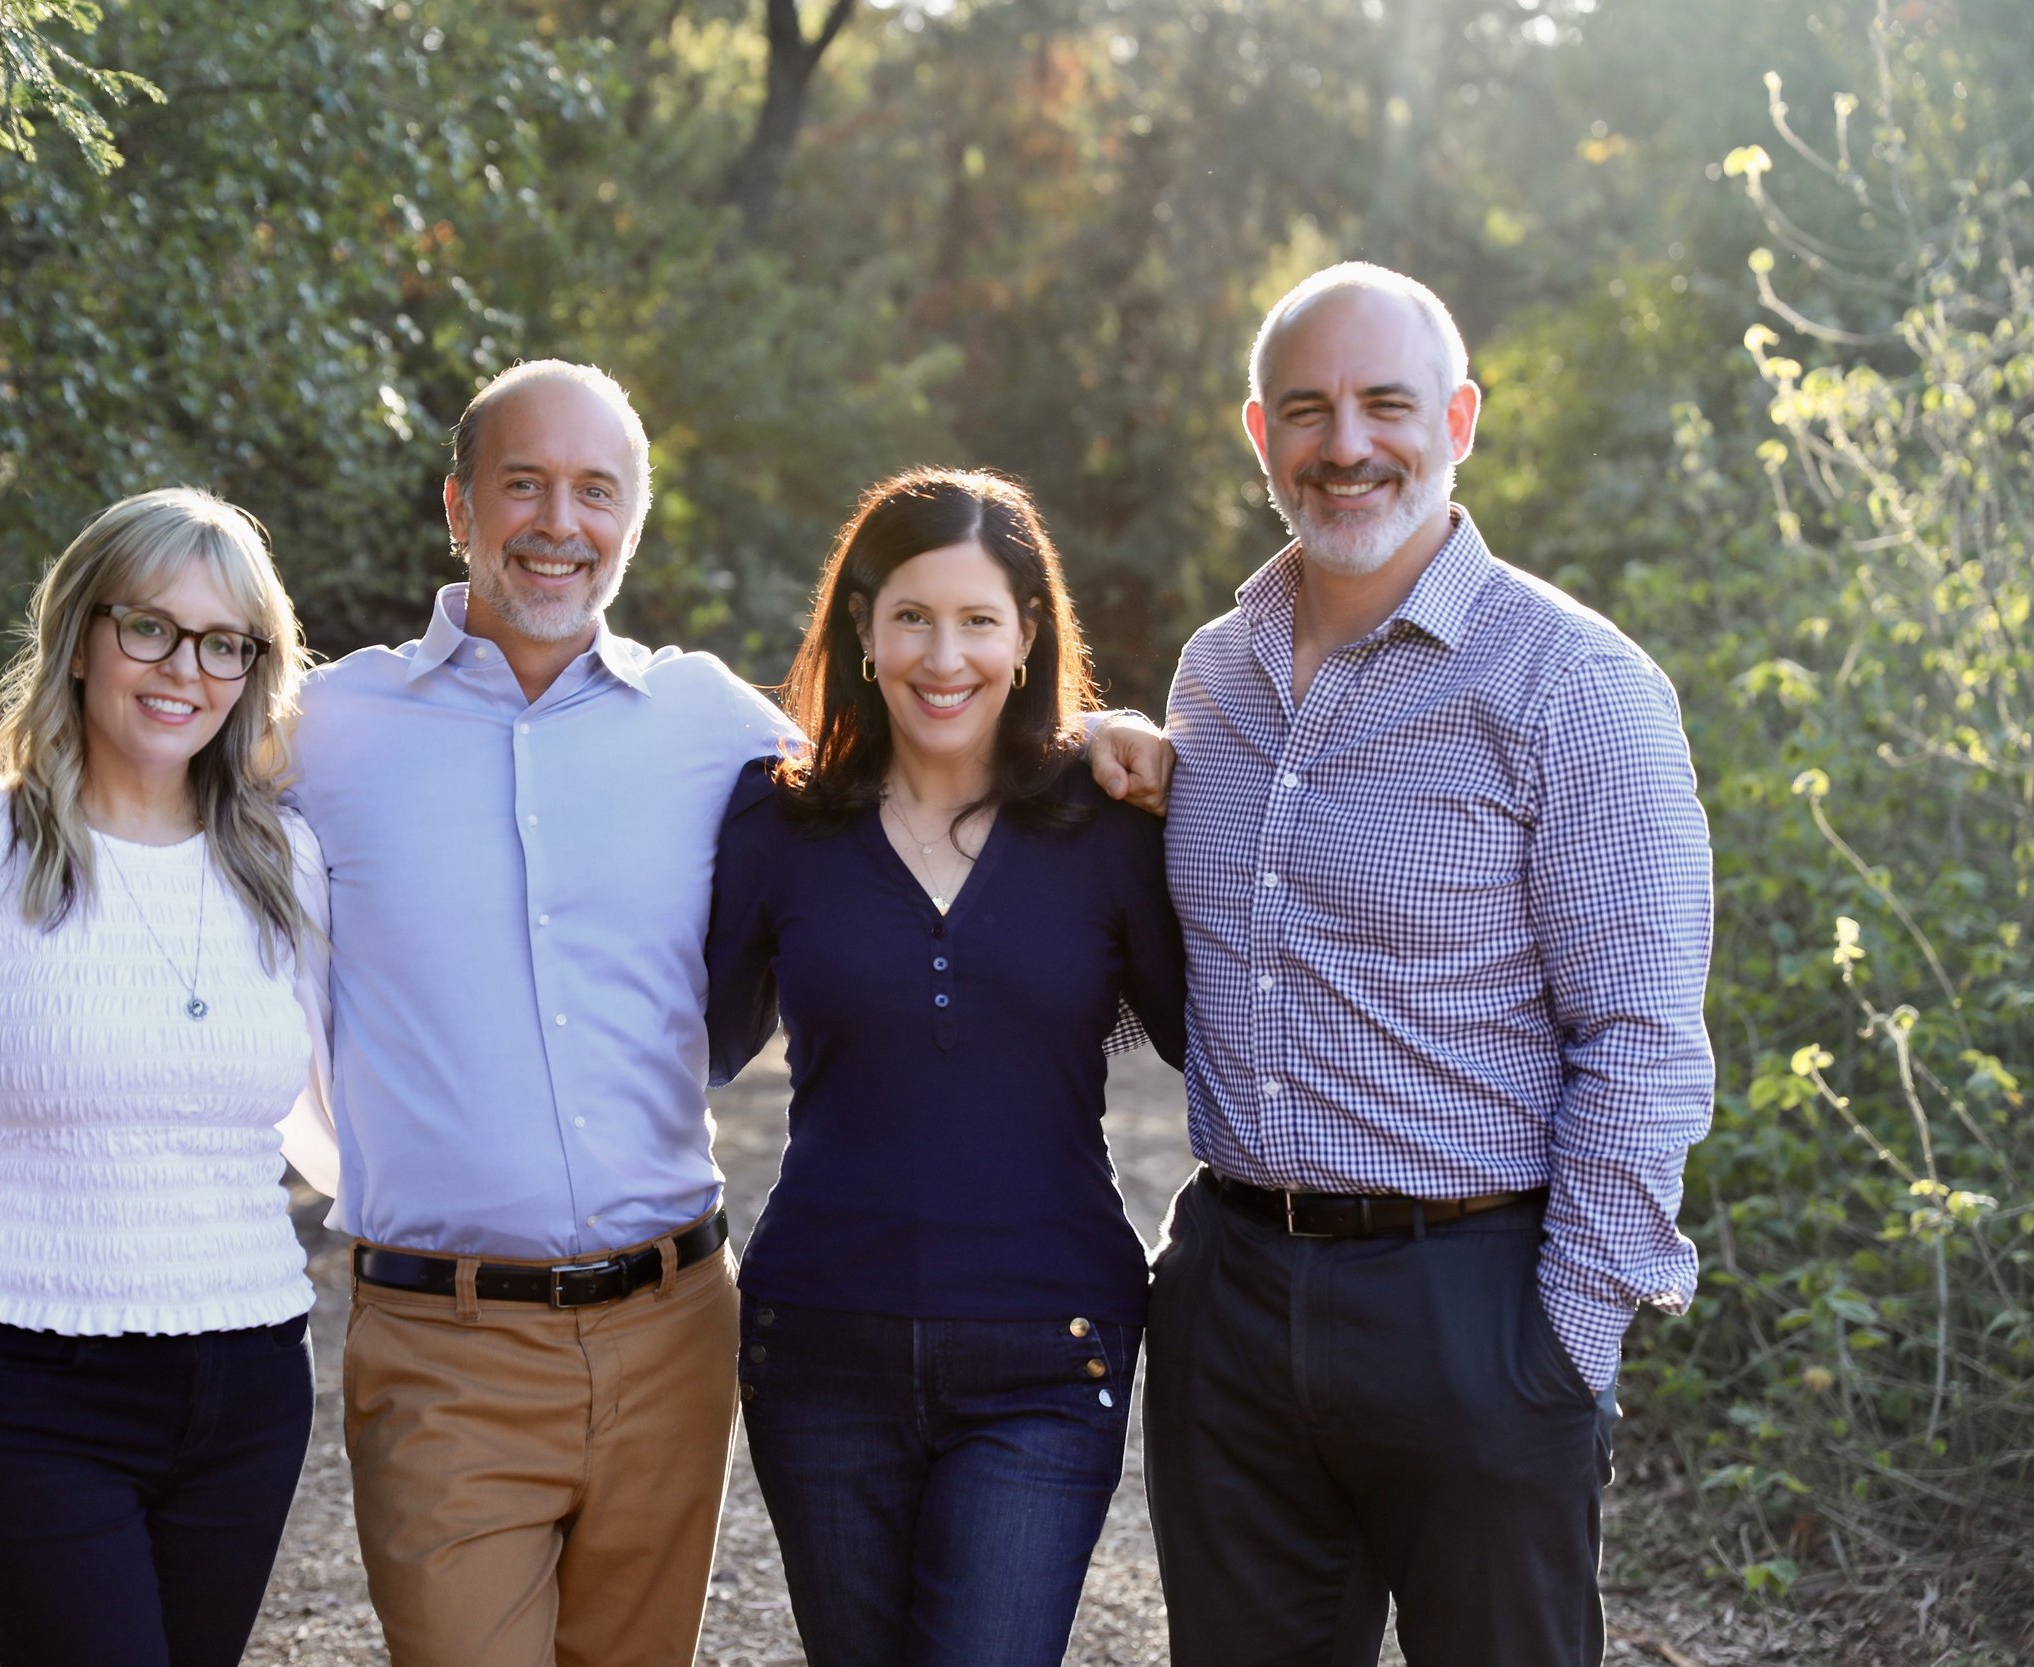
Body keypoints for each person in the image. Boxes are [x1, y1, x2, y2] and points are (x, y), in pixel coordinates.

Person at [281, 361, 1169, 1667]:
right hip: (617, 1337)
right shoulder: (336, 727)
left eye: (595, 489)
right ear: (459, 503)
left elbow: (1224, 1027)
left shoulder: (726, 733)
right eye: (524, 483)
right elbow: (158, 850)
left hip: (845, 1334)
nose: (558, 520)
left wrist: (1112, 731)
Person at [1129, 262, 1716, 1667]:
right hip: (1233, 1297)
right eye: (1307, 409)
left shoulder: (1577, 686)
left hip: (1478, 1302)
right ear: (1259, 434)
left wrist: (1562, 1346)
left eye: (1385, 404)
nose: (1346, 444)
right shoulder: (1214, 672)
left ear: (1458, 416)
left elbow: (1642, 1041)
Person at [0, 487, 339, 1667]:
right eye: (147, 625)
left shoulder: (283, 863)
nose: (182, 668)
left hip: (253, 1375)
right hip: (35, 1380)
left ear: (254, 666)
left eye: (221, 642)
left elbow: (343, 1104)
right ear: (81, 634)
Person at [702, 468, 1186, 1667]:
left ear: (1028, 634)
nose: (943, 654)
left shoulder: (1109, 819)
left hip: (1046, 1343)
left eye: (978, 619)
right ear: (861, 628)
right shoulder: (775, 821)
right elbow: (696, 1042)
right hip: (817, 1340)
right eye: (912, 615)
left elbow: (1206, 1034)